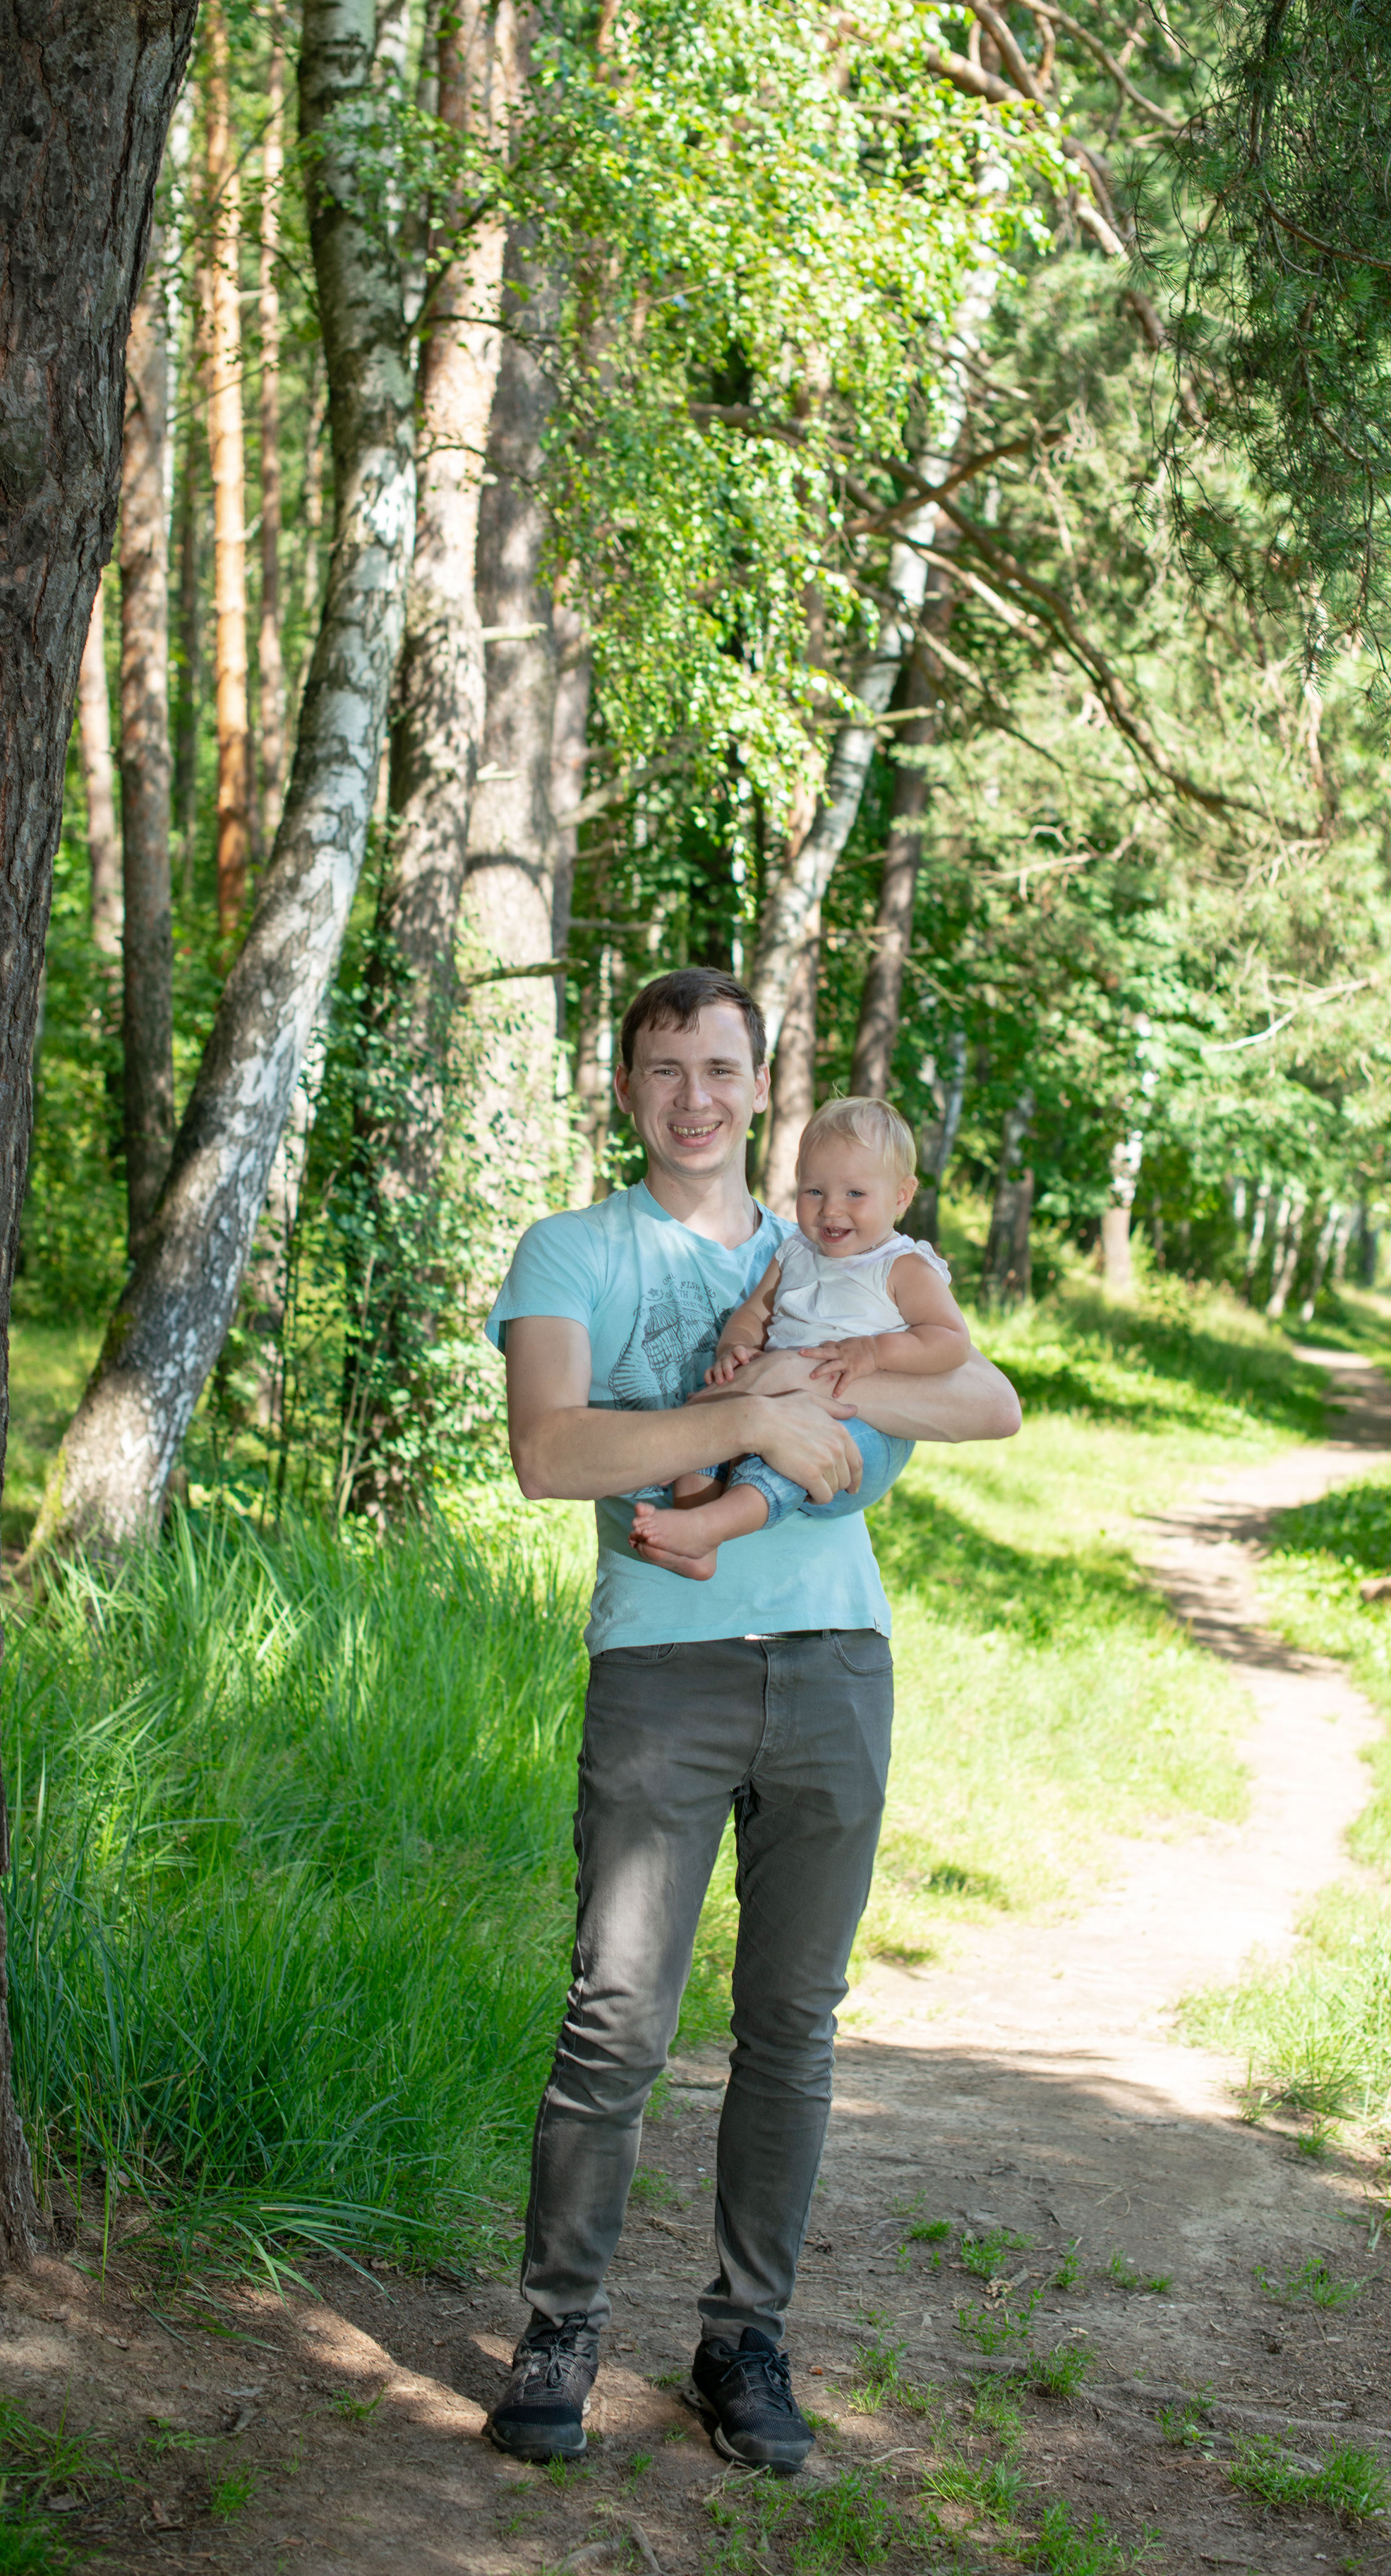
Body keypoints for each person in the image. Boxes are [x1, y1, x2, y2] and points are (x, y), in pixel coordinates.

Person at [481, 966, 1022, 2475]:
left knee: (791, 2027)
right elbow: (549, 1448)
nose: (693, 1095)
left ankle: (743, 2341)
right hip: (665, 1669)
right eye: (665, 1068)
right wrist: (747, 1417)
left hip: (837, 1660)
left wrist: (819, 1382)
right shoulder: (571, 1249)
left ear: (758, 1086)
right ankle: (561, 2327)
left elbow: (985, 1403)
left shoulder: (836, 1238)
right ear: (627, 1086)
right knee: (615, 2019)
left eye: (720, 1067)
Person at [627, 1094, 973, 1580]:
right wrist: (736, 1347)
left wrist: (874, 1351)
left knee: (784, 1458)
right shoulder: (795, 1252)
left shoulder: (903, 1266)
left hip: (863, 1427)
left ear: (901, 1195)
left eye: (855, 1194)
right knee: (709, 1417)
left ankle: (711, 1525)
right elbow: (756, 1311)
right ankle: (692, 1529)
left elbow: (950, 1339)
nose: (831, 1209)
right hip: (780, 1405)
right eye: (813, 1191)